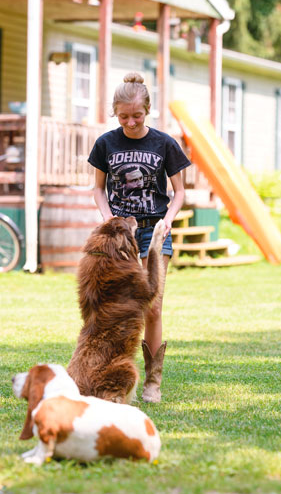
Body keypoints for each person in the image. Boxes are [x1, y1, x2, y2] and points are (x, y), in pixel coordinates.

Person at [88, 72, 191, 403]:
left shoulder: (164, 143)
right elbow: (97, 189)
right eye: (124, 117)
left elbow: (179, 193)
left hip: (154, 232)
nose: (131, 123)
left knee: (154, 307)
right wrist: (108, 218)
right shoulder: (106, 143)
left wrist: (168, 221)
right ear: (115, 113)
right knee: (120, 307)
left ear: (148, 110)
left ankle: (153, 382)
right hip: (120, 238)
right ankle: (112, 371)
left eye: (137, 116)